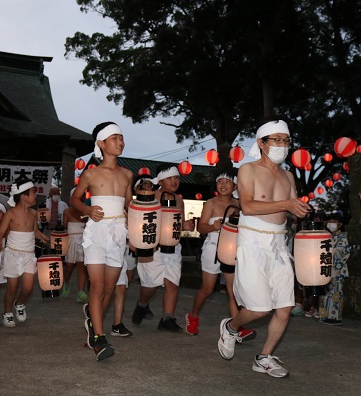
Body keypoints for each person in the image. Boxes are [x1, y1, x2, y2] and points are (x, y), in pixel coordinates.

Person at [217, 120, 311, 378]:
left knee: (284, 306)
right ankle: (231, 327)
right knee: (259, 308)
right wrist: (288, 204)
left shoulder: (288, 176)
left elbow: (289, 212)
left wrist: (300, 213)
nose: (282, 146)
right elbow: (247, 206)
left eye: (286, 140)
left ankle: (264, 357)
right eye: (276, 140)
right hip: (253, 241)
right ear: (261, 143)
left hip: (279, 244)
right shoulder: (247, 170)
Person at [69, 121, 133, 361]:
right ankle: (99, 338)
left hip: (118, 232)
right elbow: (74, 199)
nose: (121, 142)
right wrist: (87, 209)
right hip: (96, 231)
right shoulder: (91, 173)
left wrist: (137, 227)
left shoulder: (128, 174)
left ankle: (93, 324)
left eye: (122, 138)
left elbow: (129, 204)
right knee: (96, 287)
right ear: (101, 143)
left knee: (109, 288)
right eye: (115, 138)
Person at [185, 173, 255, 341]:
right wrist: (212, 226)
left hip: (232, 249)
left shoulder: (239, 204)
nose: (223, 185)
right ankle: (192, 316)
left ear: (235, 186)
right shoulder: (211, 203)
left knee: (232, 291)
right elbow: (200, 228)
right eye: (220, 182)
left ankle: (235, 327)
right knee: (207, 289)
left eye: (227, 181)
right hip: (213, 248)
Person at [132, 164, 195, 332]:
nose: (174, 181)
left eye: (176, 178)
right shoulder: (150, 197)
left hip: (173, 247)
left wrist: (185, 226)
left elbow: (176, 224)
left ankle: (167, 318)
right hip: (153, 248)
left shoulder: (179, 200)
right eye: (170, 178)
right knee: (150, 285)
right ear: (160, 181)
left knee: (172, 283)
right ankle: (142, 304)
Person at [0, 177, 49, 328]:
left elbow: (35, 231)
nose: (36, 196)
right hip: (13, 254)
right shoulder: (10, 213)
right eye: (33, 193)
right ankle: (7, 312)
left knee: (28, 287)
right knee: (12, 287)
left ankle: (19, 304)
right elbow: (0, 232)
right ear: (23, 196)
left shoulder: (33, 213)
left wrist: (42, 237)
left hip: (28, 254)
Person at [112, 174, 155, 337]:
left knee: (124, 283)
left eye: (150, 185)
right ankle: (95, 318)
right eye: (144, 185)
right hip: (115, 248)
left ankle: (117, 324)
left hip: (133, 247)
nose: (147, 188)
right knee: (109, 287)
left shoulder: (150, 206)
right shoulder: (122, 206)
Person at [319, 211, 350, 325]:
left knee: (335, 293)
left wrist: (328, 251)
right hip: (325, 269)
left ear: (340, 224)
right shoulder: (326, 236)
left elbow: (341, 251)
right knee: (325, 293)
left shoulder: (343, 237)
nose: (331, 223)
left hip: (337, 270)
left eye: (334, 222)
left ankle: (334, 317)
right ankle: (324, 315)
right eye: (330, 221)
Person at [61, 187, 88, 304]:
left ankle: (80, 291)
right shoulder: (67, 211)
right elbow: (64, 226)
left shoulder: (86, 210)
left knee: (82, 266)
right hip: (70, 239)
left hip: (84, 239)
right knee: (69, 267)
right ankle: (66, 284)